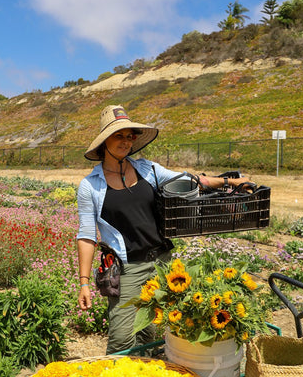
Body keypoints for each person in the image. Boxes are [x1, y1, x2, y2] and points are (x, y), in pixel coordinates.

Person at [77, 105, 252, 354]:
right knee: (122, 338)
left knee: (149, 331)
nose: (126, 142)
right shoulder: (90, 186)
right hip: (127, 269)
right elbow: (86, 235)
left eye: (130, 136)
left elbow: (190, 180)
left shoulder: (148, 170)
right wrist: (84, 283)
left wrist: (230, 182)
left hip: (162, 263)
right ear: (104, 141)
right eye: (119, 135)